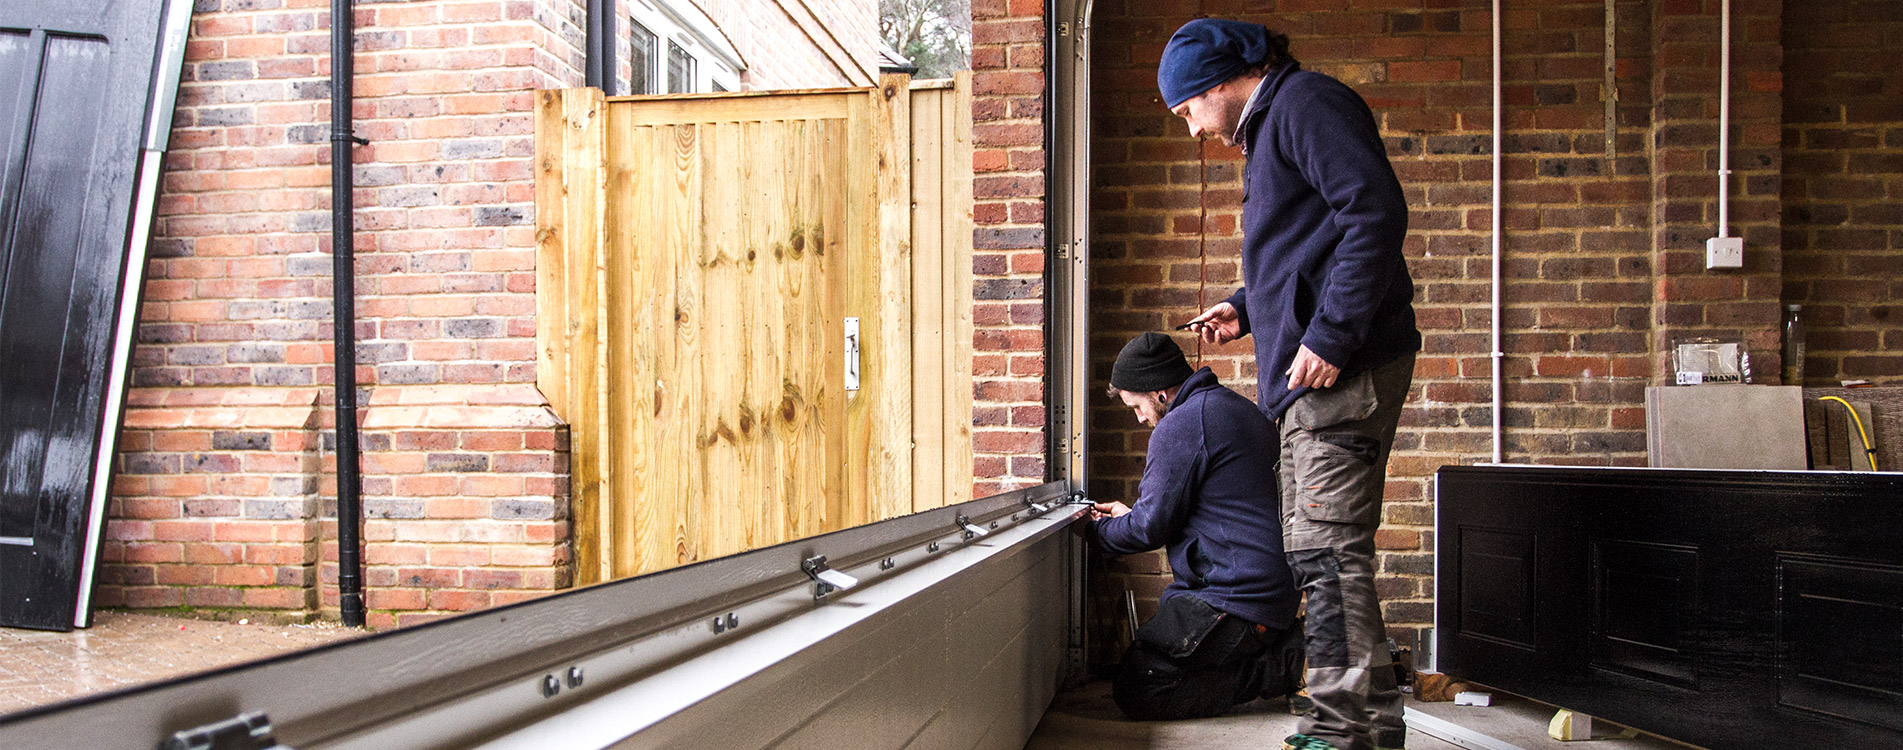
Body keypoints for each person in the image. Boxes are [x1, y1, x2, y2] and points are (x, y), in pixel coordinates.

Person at [1159, 18, 1422, 750]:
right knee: (1322, 554)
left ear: (1216, 82)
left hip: (1342, 371)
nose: (1192, 131)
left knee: (1326, 555)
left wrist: (1330, 335)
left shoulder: (1306, 105)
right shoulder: (1278, 123)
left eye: (1187, 112)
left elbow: (1374, 213)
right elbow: (1312, 244)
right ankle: (1360, 729)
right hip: (1319, 374)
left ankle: (1343, 735)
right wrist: (1245, 307)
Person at [1088, 331, 1305, 721]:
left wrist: (1093, 532)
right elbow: (1197, 509)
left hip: (1238, 597)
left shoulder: (1184, 424)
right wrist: (1129, 517)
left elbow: (1148, 530)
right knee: (1155, 658)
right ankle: (1283, 649)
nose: (1139, 418)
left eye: (1136, 406)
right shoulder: (1229, 408)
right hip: (1268, 590)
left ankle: (1287, 663)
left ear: (1158, 393)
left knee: (1141, 687)